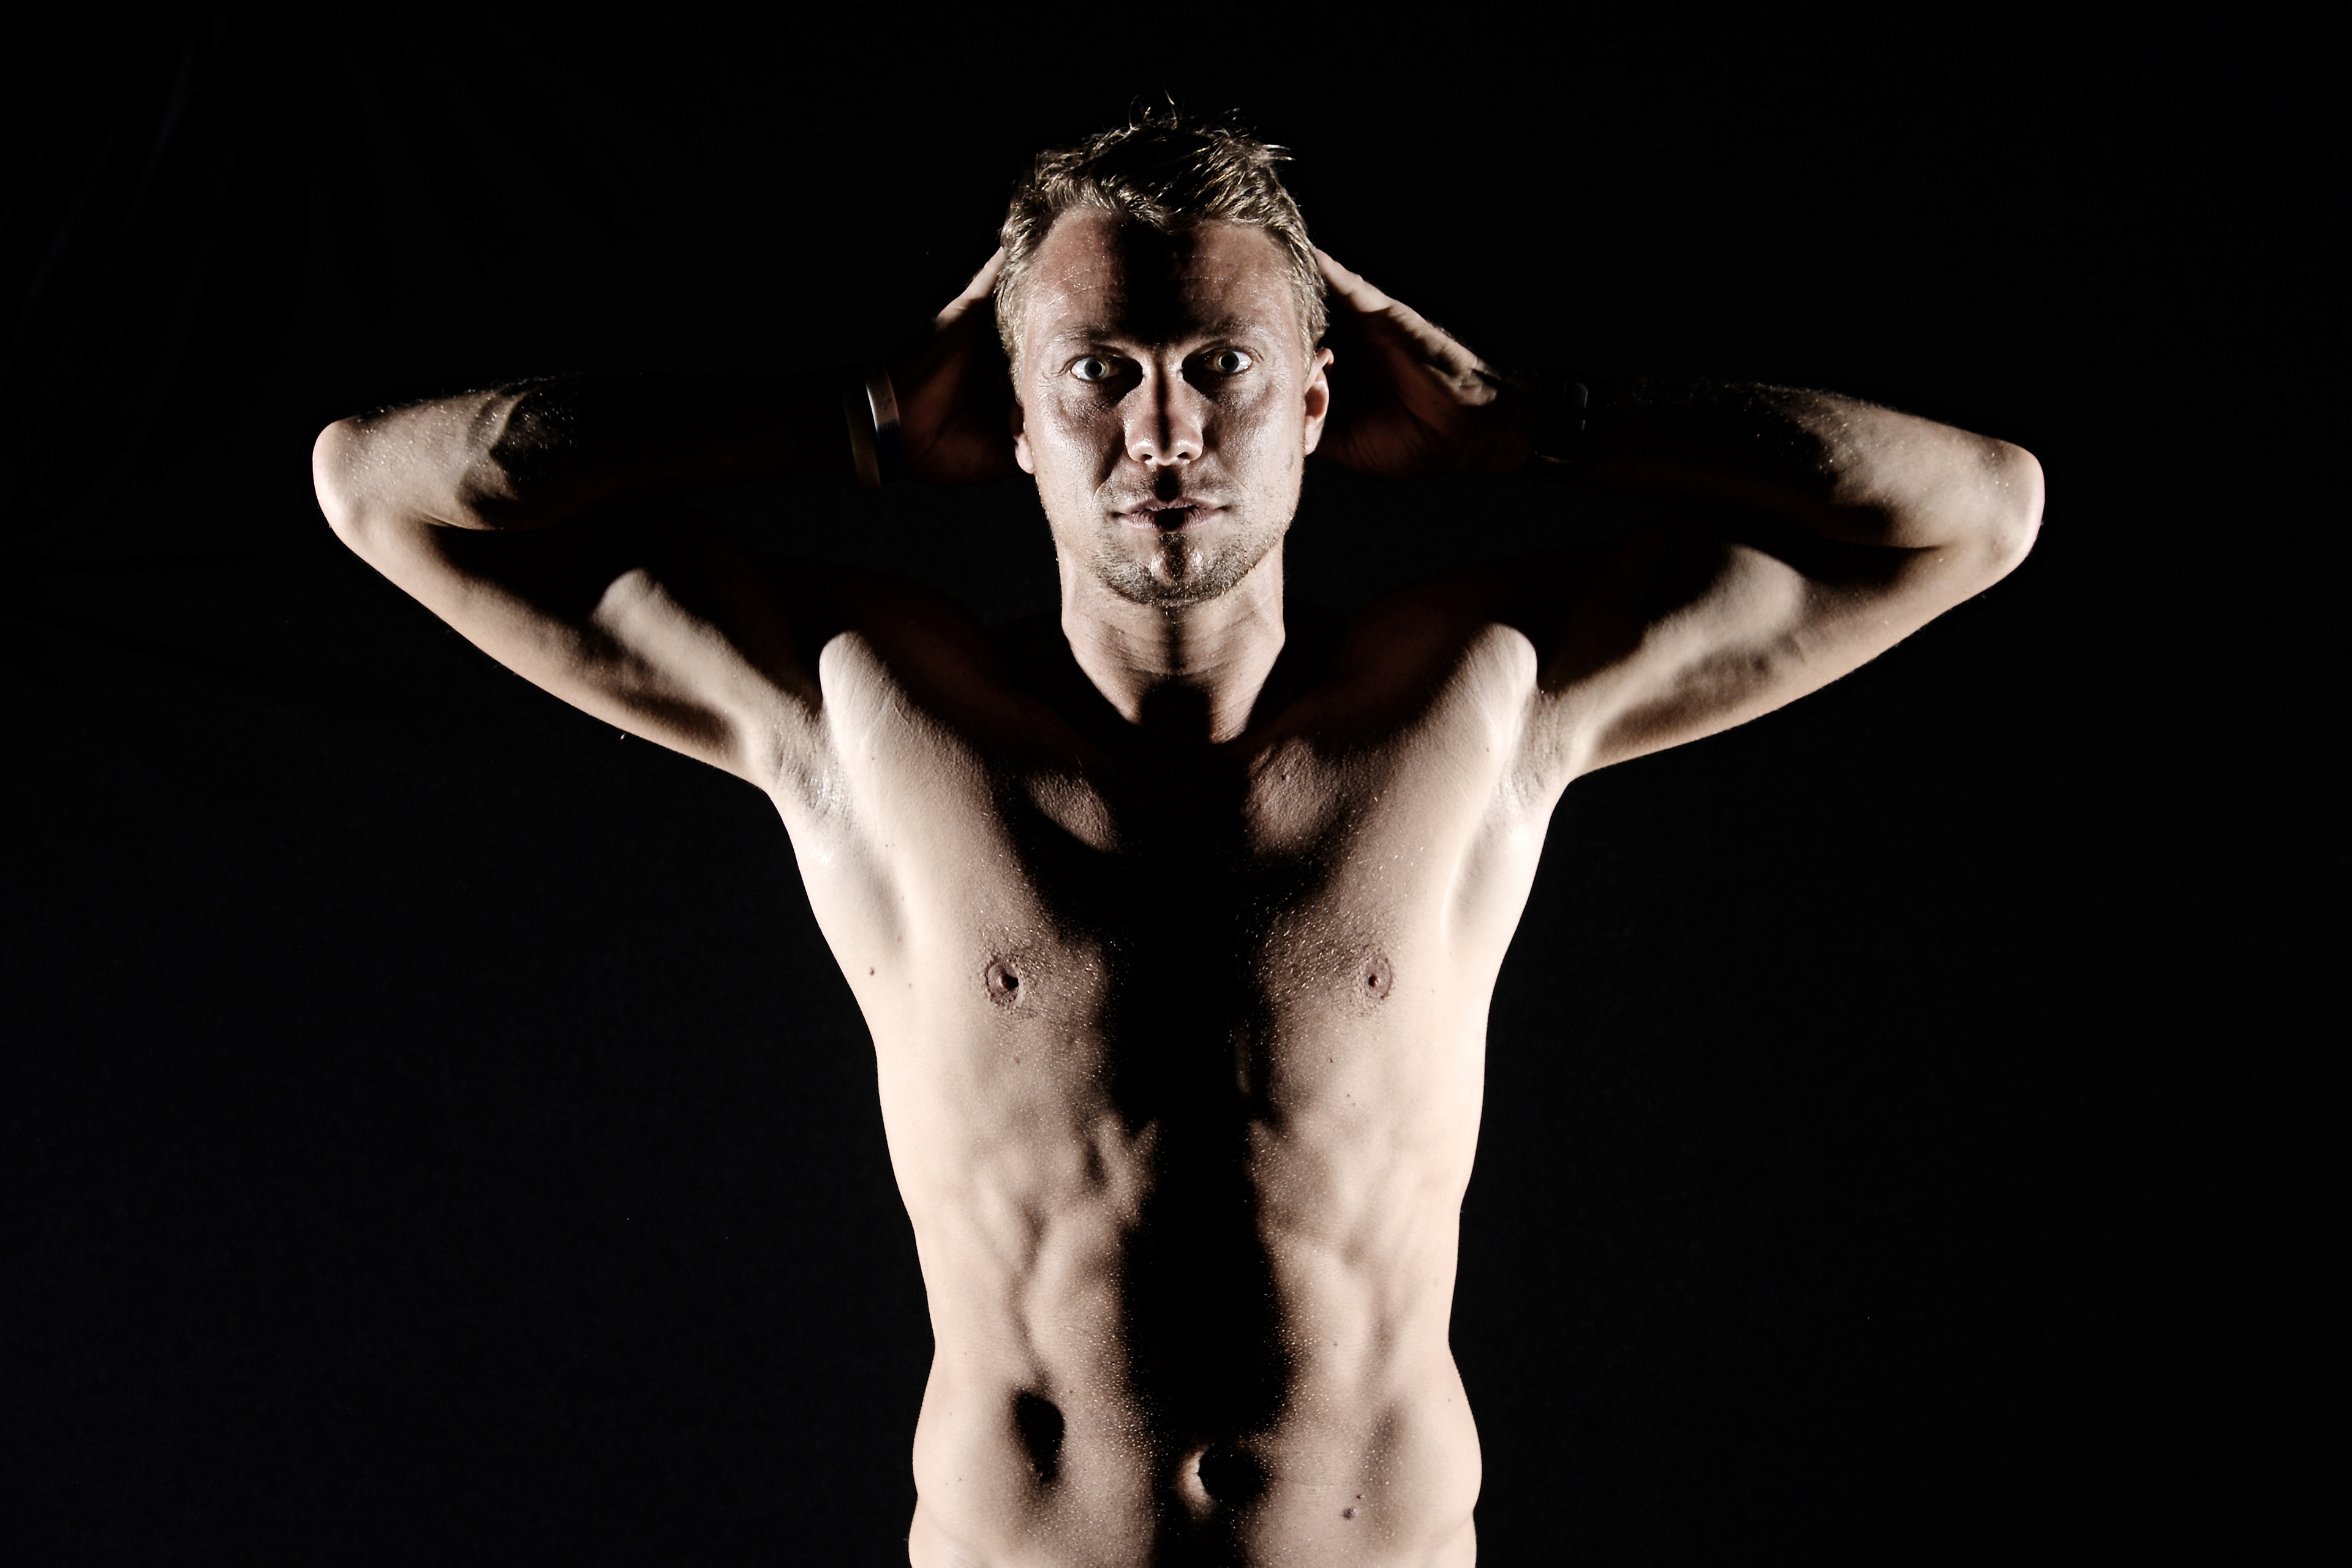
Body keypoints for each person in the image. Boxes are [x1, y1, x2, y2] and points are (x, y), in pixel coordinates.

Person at [311, 113, 2041, 1568]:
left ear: (1314, 400)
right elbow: (380, 486)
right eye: (1098, 375)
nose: (1163, 436)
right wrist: (836, 419)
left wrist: (1535, 420)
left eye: (1222, 368)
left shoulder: (1479, 707)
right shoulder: (865, 718)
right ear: (1007, 414)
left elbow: (1976, 513)